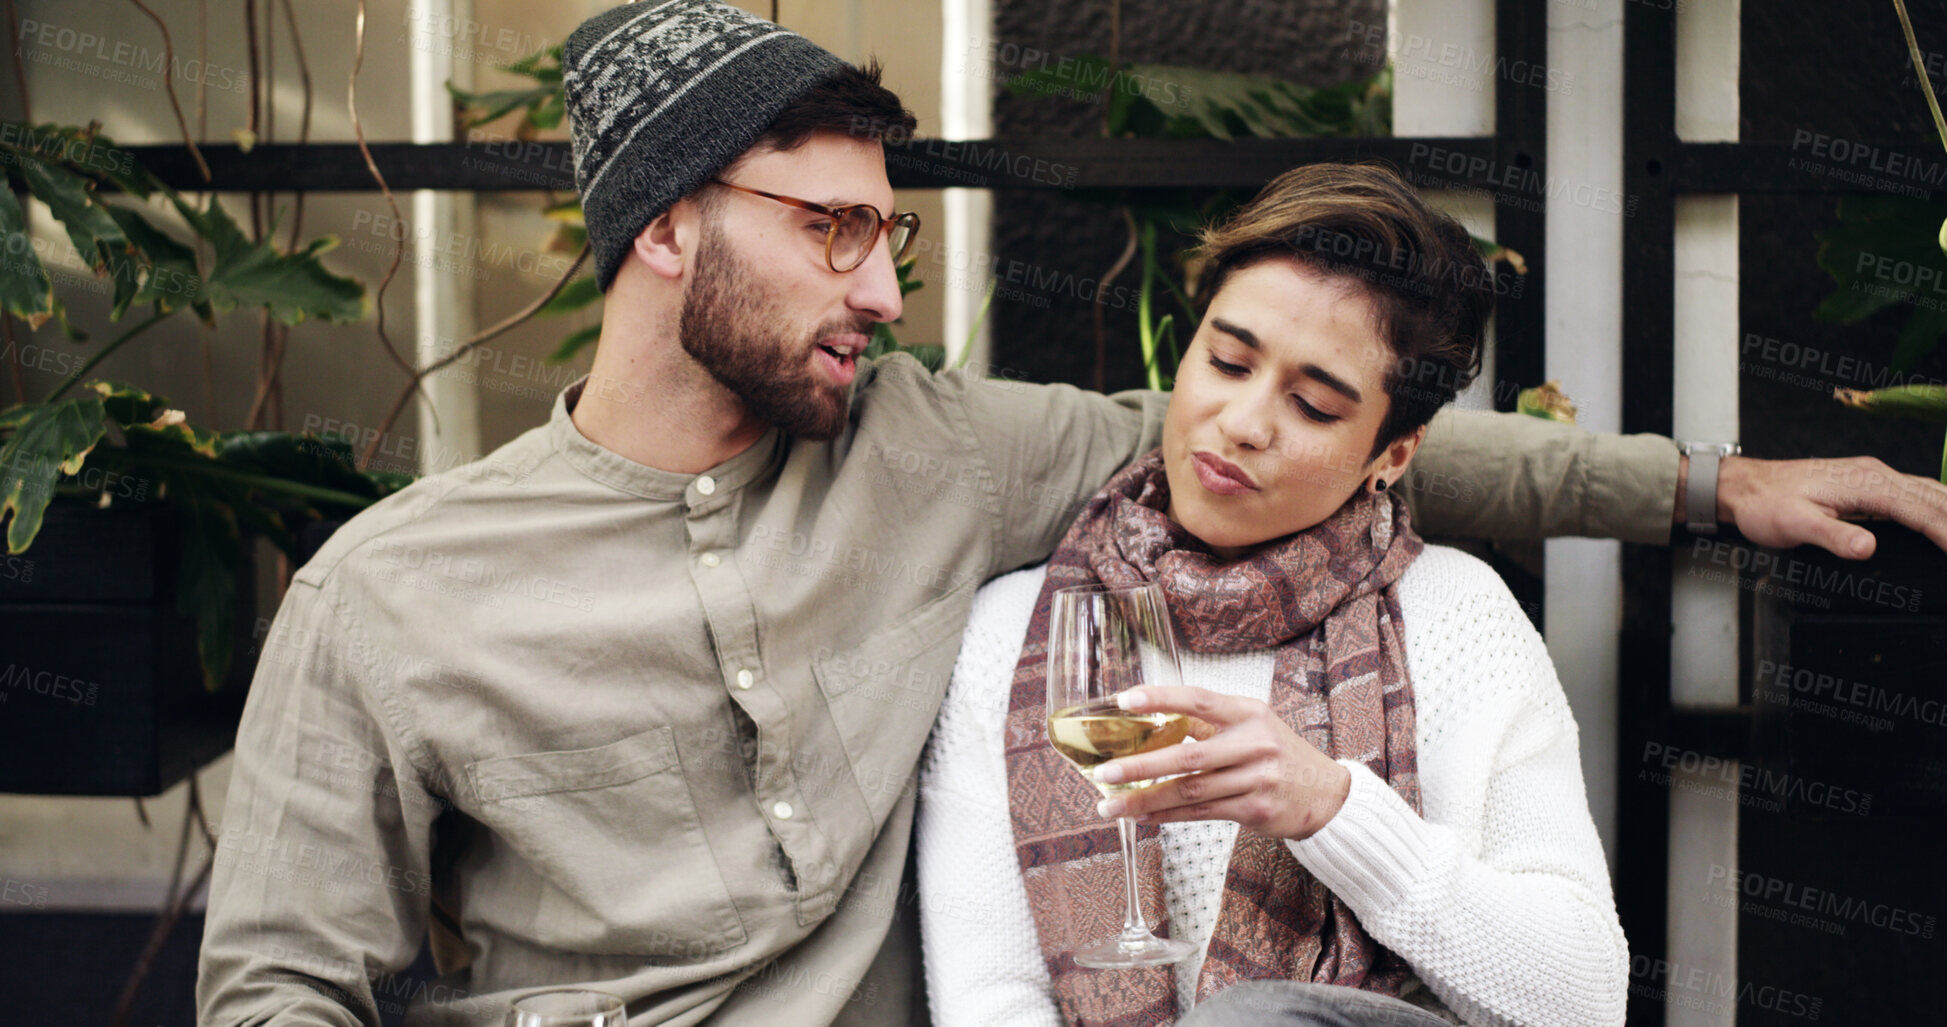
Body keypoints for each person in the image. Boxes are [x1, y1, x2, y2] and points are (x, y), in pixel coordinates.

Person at [195, 2, 1947, 1024]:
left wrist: (1708, 484)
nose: (883, 290)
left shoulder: (937, 452)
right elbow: (277, 986)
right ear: (664, 229)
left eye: (891, 237)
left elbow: (1300, 441)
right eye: (832, 231)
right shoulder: (386, 594)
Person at [915, 163, 1622, 1027]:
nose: (1243, 422)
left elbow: (1585, 999)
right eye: (1226, 360)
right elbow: (989, 998)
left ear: (1391, 453)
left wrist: (1332, 809)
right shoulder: (1019, 630)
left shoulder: (1457, 615)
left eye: (1314, 406)